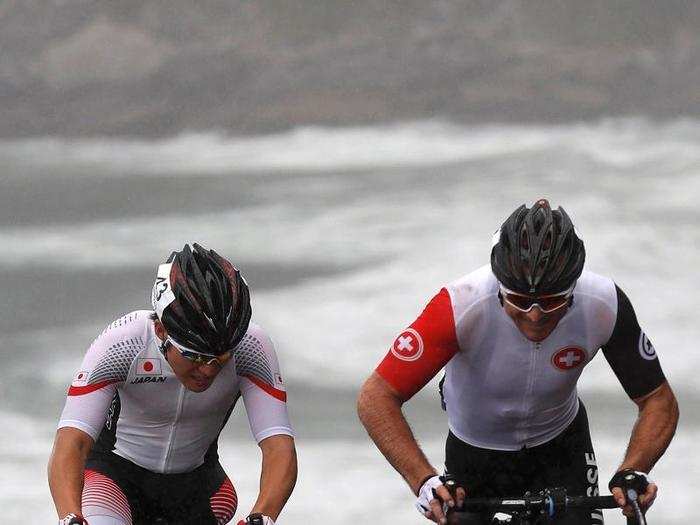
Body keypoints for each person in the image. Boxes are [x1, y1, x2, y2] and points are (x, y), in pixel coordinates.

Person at [357, 199, 679, 524]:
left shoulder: (602, 303)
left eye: (552, 301)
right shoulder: (460, 306)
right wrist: (423, 480)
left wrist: (633, 468)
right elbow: (376, 397)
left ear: (573, 289)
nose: (535, 315)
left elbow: (658, 399)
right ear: (499, 287)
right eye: (520, 301)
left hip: (561, 450)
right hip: (474, 456)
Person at [48, 244, 297, 525]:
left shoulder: (251, 347)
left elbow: (279, 446)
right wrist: (70, 516)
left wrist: (262, 517)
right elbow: (72, 441)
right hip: (113, 480)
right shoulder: (124, 343)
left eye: (221, 358)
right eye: (196, 356)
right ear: (160, 330)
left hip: (199, 489)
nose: (208, 369)